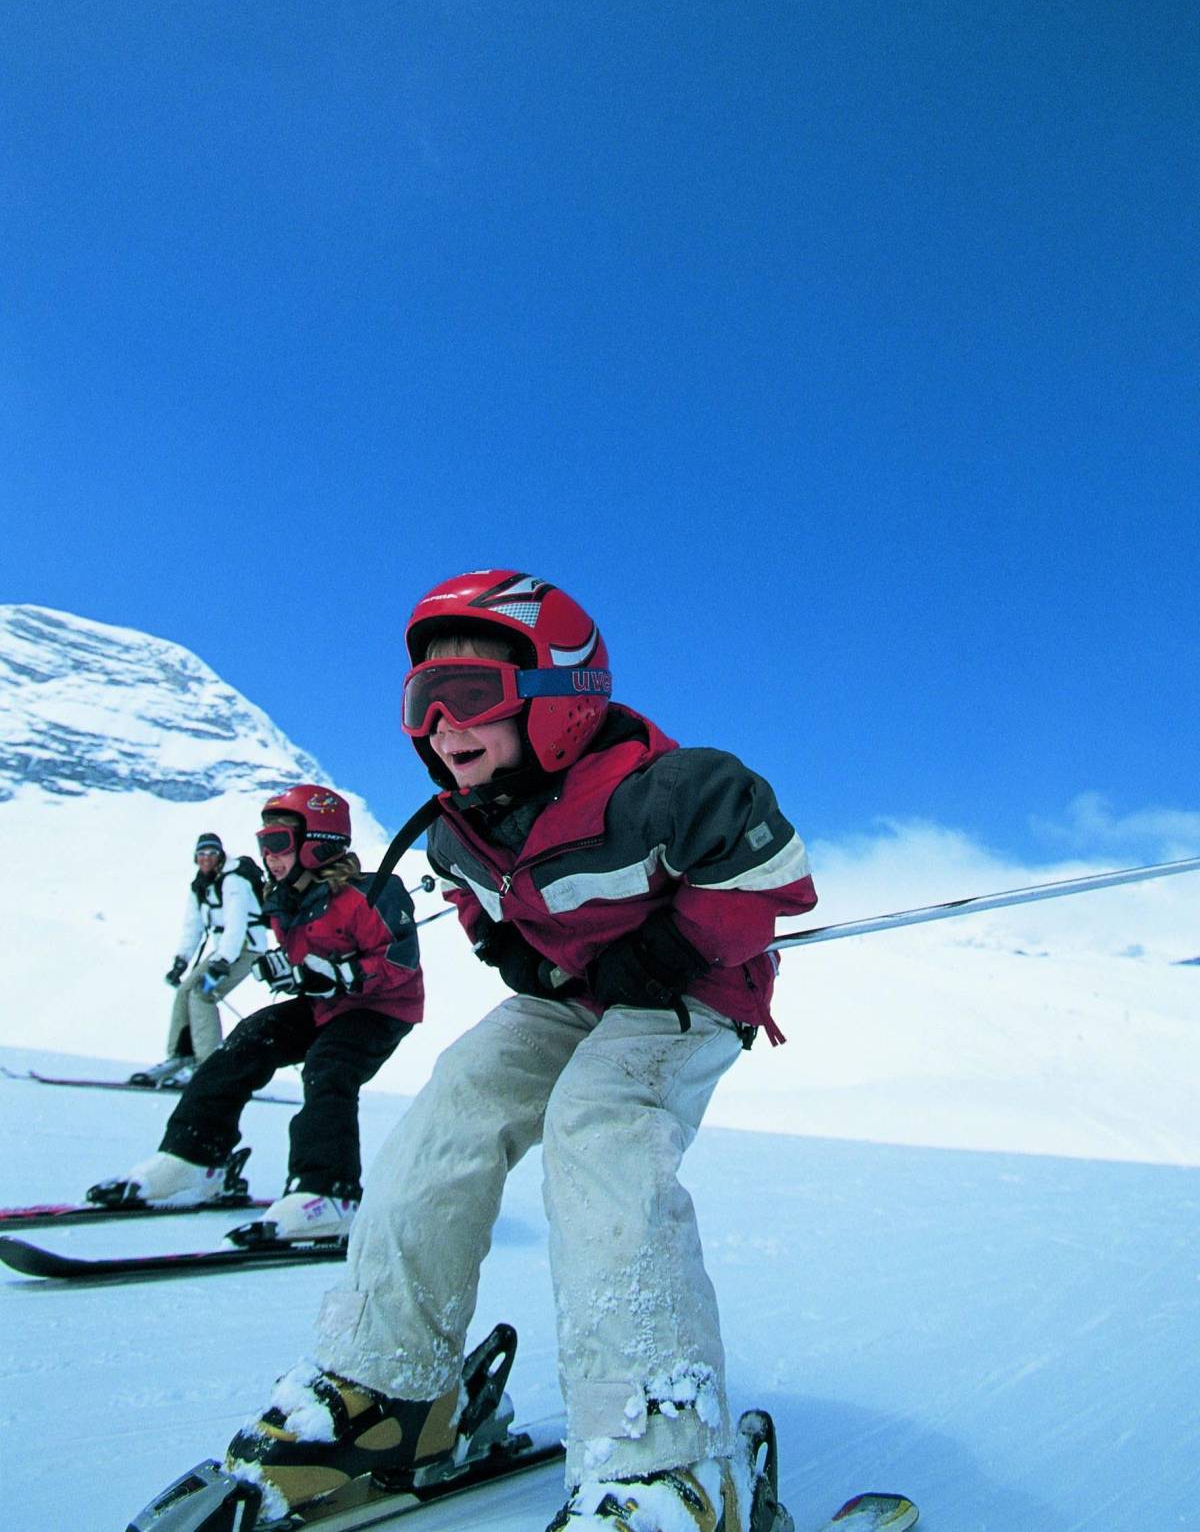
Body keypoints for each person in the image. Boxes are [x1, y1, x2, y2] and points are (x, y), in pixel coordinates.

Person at [222, 571, 818, 1532]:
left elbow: (771, 875)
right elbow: (478, 901)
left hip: (696, 993)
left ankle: (665, 1458)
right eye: (423, 703)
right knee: (456, 1097)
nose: (441, 728)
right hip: (581, 997)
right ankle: (385, 1389)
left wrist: (668, 949)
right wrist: (513, 955)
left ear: (560, 701)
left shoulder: (667, 790)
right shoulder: (462, 824)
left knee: (599, 1125)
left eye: (469, 700)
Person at [91, 786, 424, 1242]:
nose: (269, 857)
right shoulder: (284, 900)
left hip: (381, 1009)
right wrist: (290, 971)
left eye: (278, 844)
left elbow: (400, 963)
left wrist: (344, 973)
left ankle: (330, 1193)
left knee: (329, 1065)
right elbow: (307, 965)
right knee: (249, 1039)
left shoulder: (371, 894)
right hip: (326, 1005)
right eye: (263, 844)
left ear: (317, 842)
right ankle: (196, 1159)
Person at [134, 831, 269, 1086]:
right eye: (201, 854)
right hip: (224, 951)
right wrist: (181, 961)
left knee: (202, 994)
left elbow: (236, 925)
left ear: (220, 856)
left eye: (211, 853)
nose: (206, 859)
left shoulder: (234, 882)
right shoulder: (200, 886)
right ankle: (181, 1056)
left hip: (246, 949)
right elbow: (193, 926)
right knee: (185, 991)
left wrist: (223, 962)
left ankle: (208, 1065)